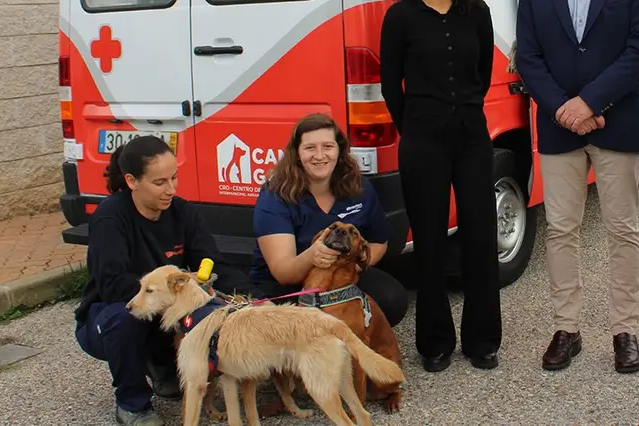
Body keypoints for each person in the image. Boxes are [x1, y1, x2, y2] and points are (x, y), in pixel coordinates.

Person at [514, 0, 639, 374]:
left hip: (614, 122)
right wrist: (565, 109)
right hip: (559, 128)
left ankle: (625, 330)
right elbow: (529, 58)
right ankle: (567, 328)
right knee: (560, 229)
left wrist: (591, 102)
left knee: (623, 229)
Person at [379, 0, 503, 373]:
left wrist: (459, 112)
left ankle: (483, 340)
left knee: (479, 236)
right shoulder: (401, 16)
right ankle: (434, 343)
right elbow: (391, 85)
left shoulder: (478, 12)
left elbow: (483, 71)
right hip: (422, 141)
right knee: (429, 242)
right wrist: (415, 126)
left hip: (472, 137)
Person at [74, 135, 255, 426]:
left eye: (174, 178)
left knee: (212, 309)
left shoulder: (182, 211)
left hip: (164, 313)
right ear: (132, 181)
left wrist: (251, 297)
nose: (171, 189)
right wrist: (169, 298)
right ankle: (132, 404)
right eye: (160, 183)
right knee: (125, 320)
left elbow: (213, 262)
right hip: (110, 314)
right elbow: (111, 285)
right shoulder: (111, 217)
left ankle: (163, 368)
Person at [249, 113, 409, 329]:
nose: (320, 155)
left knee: (391, 300)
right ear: (296, 153)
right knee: (292, 326)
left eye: (327, 146)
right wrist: (312, 256)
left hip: (341, 276)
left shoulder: (357, 185)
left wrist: (355, 267)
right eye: (310, 148)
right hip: (287, 284)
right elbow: (282, 271)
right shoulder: (276, 195)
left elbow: (380, 242)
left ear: (339, 150)